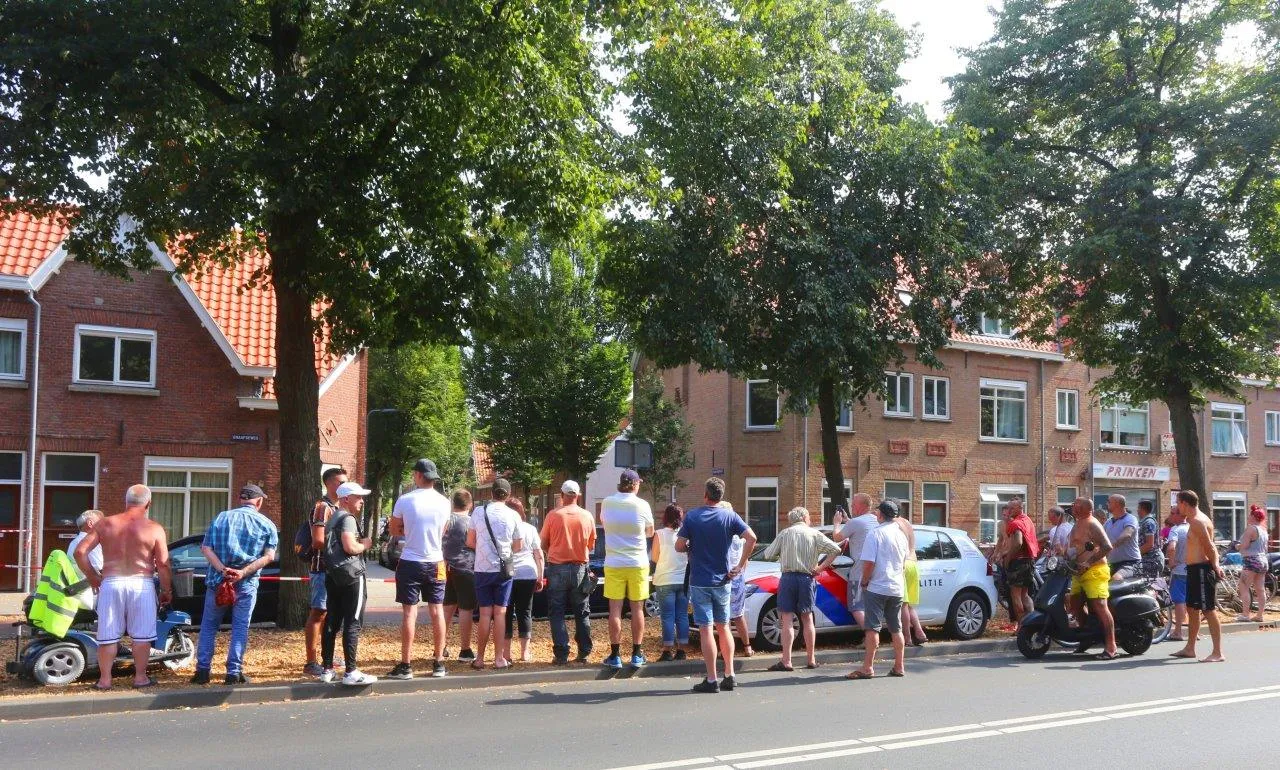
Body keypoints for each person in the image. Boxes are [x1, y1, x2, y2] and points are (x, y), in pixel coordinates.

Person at [73, 486, 172, 690]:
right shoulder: (154, 528)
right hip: (141, 583)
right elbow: (162, 563)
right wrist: (166, 590)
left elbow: (80, 551)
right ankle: (140, 678)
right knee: (142, 635)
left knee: (107, 634)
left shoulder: (106, 523)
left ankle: (105, 680)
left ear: (125, 501)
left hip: (111, 582)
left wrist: (92, 576)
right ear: (148, 503)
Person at [191, 484, 277, 685]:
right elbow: (269, 557)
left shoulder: (221, 517)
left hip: (217, 581)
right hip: (246, 583)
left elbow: (206, 548)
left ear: (240, 499)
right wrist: (242, 572)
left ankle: (202, 671)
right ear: (259, 501)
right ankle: (233, 672)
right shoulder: (267, 524)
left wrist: (223, 569)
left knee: (209, 627)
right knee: (240, 627)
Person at [677, 477, 756, 693]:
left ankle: (711, 678)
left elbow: (678, 545)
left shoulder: (693, 516)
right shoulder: (730, 516)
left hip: (701, 581)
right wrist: (739, 566)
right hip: (724, 580)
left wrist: (691, 545)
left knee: (706, 629)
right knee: (724, 627)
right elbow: (751, 538)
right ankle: (729, 675)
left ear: (705, 494)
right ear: (721, 496)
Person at [387, 459, 451, 680]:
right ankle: (439, 663)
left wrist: (409, 527)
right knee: (437, 610)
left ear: (418, 476)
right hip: (436, 561)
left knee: (409, 612)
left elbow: (395, 529)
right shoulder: (445, 502)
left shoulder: (405, 500)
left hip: (410, 560)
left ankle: (406, 664)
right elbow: (443, 531)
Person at [762, 506, 840, 670]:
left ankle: (787, 660)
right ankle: (811, 659)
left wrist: (782, 554)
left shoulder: (785, 534)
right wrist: (820, 568)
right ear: (805, 518)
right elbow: (836, 549)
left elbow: (768, 554)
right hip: (807, 578)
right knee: (807, 618)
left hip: (788, 578)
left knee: (787, 619)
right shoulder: (814, 534)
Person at [319, 481, 377, 686]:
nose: (361, 500)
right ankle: (351, 671)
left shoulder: (332, 517)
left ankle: (327, 668)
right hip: (352, 575)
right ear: (345, 499)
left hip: (333, 574)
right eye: (357, 496)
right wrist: (366, 544)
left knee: (332, 621)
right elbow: (350, 546)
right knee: (352, 622)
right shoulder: (348, 518)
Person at [847, 500, 909, 680]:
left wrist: (865, 582)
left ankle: (868, 667)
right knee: (895, 628)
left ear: (880, 515)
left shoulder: (875, 534)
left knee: (872, 628)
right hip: (896, 587)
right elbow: (903, 563)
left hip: (877, 586)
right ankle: (899, 665)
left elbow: (869, 563)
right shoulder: (901, 535)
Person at [600, 469, 654, 670]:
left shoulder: (607, 502)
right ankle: (637, 653)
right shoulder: (642, 505)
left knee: (614, 609)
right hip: (637, 562)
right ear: (635, 485)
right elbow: (650, 532)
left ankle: (615, 655)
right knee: (637, 609)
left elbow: (604, 524)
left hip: (614, 562)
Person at [467, 478, 522, 669]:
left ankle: (480, 658)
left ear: (491, 493)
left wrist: (484, 549)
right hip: (503, 570)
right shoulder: (513, 515)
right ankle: (499, 658)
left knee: (484, 614)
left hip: (482, 568)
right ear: (508, 495)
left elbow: (470, 541)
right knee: (500, 613)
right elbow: (518, 545)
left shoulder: (479, 512)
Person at [540, 480, 596, 664]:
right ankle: (584, 651)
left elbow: (543, 543)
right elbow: (591, 544)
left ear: (562, 495)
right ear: (578, 495)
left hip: (557, 567)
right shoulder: (587, 516)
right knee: (582, 611)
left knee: (557, 612)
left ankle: (561, 653)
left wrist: (555, 550)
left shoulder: (553, 516)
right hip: (580, 568)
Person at [1171, 490, 1225, 662]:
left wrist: (1215, 565)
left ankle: (1217, 652)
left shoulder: (1197, 521)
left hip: (1202, 569)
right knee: (1192, 609)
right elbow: (1211, 545)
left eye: (1178, 503)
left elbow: (1210, 547)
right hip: (1194, 570)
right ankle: (1190, 648)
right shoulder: (1197, 520)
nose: (1177, 507)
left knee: (1208, 610)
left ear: (1185, 504)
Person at [303, 466, 345, 677]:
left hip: (336, 570)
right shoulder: (323, 508)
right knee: (318, 613)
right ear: (328, 484)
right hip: (322, 569)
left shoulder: (339, 509)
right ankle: (311, 661)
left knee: (331, 615)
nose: (344, 486)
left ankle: (326, 656)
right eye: (340, 483)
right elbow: (318, 541)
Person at [1067, 497, 1117, 659]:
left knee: (1100, 606)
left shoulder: (1092, 523)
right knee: (1074, 603)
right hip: (1078, 572)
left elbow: (1107, 546)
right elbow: (1075, 548)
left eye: (1076, 504)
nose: (1073, 506)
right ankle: (1089, 637)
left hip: (1095, 570)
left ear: (1085, 508)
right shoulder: (1077, 523)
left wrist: (1088, 562)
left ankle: (1111, 646)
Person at [502, 497, 544, 663]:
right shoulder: (530, 529)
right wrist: (540, 576)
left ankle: (506, 653)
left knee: (505, 612)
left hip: (508, 573)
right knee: (525, 612)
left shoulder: (504, 529)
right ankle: (524, 653)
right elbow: (539, 554)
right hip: (528, 573)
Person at [832, 493, 877, 629]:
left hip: (859, 572)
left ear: (860, 506)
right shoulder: (875, 520)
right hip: (876, 571)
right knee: (871, 607)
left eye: (853, 504)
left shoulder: (856, 523)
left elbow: (837, 538)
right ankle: (873, 636)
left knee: (856, 607)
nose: (851, 506)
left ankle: (871, 636)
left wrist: (837, 524)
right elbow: (860, 528)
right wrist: (848, 520)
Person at [651, 503, 690, 661]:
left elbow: (654, 557)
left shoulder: (659, 534)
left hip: (665, 579)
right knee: (682, 615)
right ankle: (681, 651)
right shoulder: (685, 535)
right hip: (683, 580)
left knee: (667, 616)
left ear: (665, 517)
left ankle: (667, 651)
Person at [442, 489, 477, 662]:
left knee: (447, 608)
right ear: (470, 504)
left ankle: (440, 646)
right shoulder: (471, 523)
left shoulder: (446, 520)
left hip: (445, 567)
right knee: (465, 609)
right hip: (466, 567)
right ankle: (465, 649)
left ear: (453, 503)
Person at [997, 497, 1040, 622]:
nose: (1009, 510)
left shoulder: (1016, 523)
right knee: (1025, 595)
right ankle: (1032, 623)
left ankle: (1022, 627)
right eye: (1008, 507)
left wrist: (1008, 558)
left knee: (1015, 595)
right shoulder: (1028, 520)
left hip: (1018, 562)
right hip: (1029, 561)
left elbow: (1018, 543)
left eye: (1012, 508)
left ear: (1020, 508)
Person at [724, 502, 754, 658]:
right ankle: (747, 647)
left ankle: (726, 650)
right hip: (738, 577)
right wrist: (741, 569)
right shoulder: (740, 536)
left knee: (724, 616)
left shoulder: (722, 534)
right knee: (738, 614)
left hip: (723, 577)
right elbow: (747, 555)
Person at [895, 508, 928, 646]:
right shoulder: (906, 522)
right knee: (909, 605)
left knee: (903, 604)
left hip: (904, 564)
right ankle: (920, 632)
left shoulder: (893, 523)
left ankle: (907, 638)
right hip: (914, 563)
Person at [1235, 504, 1269, 623]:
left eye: (1250, 515)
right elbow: (1265, 548)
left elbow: (1244, 545)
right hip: (1263, 560)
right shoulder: (1264, 530)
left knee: (1244, 586)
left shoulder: (1251, 528)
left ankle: (1245, 615)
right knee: (1260, 589)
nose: (1248, 517)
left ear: (1253, 516)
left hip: (1251, 560)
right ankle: (1260, 615)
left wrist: (1237, 546)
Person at [67, 510, 104, 609]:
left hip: (79, 592)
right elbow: (100, 569)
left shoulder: (74, 542)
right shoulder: (90, 542)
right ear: (90, 523)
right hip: (91, 594)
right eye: (101, 522)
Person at [1165, 506, 1190, 642]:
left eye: (1172, 513)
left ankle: (1178, 631)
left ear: (1180, 516)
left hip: (1180, 569)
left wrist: (1172, 562)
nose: (1170, 515)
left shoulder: (1175, 530)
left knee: (1179, 600)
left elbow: (1171, 547)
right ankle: (1194, 631)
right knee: (1191, 601)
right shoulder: (1192, 528)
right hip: (1193, 568)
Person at [1103, 494, 1142, 581]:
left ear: (1117, 504)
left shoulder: (1131, 519)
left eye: (1109, 502)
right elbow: (1099, 538)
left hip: (1130, 563)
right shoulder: (1108, 522)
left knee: (1116, 578)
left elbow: (1127, 534)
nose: (1107, 504)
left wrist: (1110, 547)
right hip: (1111, 564)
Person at [1136, 499, 1164, 579]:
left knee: (1151, 586)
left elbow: (1149, 544)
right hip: (1147, 559)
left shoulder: (1149, 523)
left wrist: (1135, 555)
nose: (1137, 510)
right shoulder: (1144, 522)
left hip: (1151, 560)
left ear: (1142, 509)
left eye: (1138, 508)